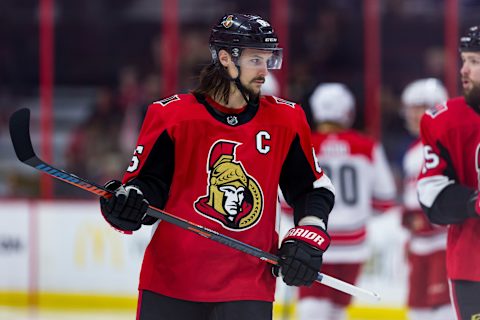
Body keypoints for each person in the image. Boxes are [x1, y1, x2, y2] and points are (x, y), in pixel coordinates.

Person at [99, 13, 335, 320]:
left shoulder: (286, 120)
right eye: (255, 60)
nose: (265, 71)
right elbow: (148, 186)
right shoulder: (171, 116)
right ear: (226, 58)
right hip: (171, 282)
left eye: (268, 60)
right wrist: (128, 204)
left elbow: (312, 189)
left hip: (247, 286)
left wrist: (309, 233)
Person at [297, 83, 397, 320]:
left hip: (313, 239)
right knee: (337, 310)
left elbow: (285, 201)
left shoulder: (303, 144)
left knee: (311, 306)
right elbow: (385, 200)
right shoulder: (367, 146)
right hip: (353, 244)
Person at [417, 25, 480, 319]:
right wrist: (474, 202)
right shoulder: (446, 121)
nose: (464, 70)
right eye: (464, 60)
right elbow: (432, 199)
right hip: (473, 265)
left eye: (475, 62)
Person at [401, 78, 453, 320]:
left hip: (443, 244)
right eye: (410, 108)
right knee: (417, 311)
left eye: (418, 107)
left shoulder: (449, 144)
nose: (412, 114)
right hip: (421, 245)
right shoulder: (413, 151)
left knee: (444, 310)